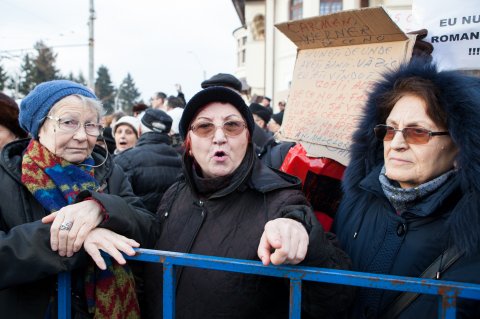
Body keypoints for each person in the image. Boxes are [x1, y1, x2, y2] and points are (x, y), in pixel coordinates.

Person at [83, 86, 354, 318]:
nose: (219, 136)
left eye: (232, 125)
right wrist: (103, 222)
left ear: (248, 137)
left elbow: (337, 298)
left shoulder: (280, 199)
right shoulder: (176, 192)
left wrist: (304, 235)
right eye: (204, 127)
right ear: (188, 141)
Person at [333, 59, 480, 318]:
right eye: (389, 130)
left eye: (418, 132)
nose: (397, 143)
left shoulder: (472, 230)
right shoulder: (355, 202)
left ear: (460, 145)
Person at [0, 80, 155, 318]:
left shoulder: (110, 173)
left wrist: (100, 208)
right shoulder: (6, 176)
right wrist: (76, 234)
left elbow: (148, 226)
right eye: (69, 123)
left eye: (91, 125)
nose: (82, 136)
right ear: (39, 127)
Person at [114, 108, 182, 213]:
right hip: (173, 227)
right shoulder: (183, 161)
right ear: (168, 133)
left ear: (139, 130)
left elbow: (116, 205)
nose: (123, 136)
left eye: (128, 132)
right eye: (119, 132)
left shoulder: (125, 160)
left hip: (138, 227)